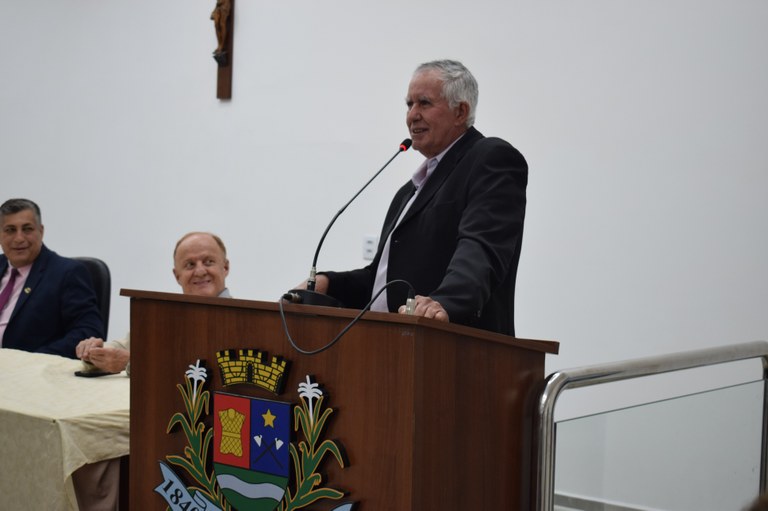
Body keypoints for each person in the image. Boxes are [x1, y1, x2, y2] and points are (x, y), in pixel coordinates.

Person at [299, 60, 527, 336]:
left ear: (460, 112)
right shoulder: (407, 194)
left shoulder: (490, 158)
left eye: (424, 103)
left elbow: (481, 247)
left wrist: (446, 302)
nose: (412, 115)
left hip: (453, 344)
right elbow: (381, 282)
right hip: (390, 342)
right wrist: (328, 283)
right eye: (409, 105)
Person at [77, 231, 231, 373]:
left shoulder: (240, 323)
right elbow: (122, 348)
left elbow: (212, 374)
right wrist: (93, 352)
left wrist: (132, 362)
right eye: (190, 265)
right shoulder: (161, 317)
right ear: (177, 276)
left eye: (208, 262)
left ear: (225, 267)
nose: (200, 271)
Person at [0, 198, 104, 358]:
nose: (19, 238)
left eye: (27, 229)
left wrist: (33, 360)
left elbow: (88, 331)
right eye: (10, 230)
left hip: (28, 368)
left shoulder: (67, 273)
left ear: (41, 231)